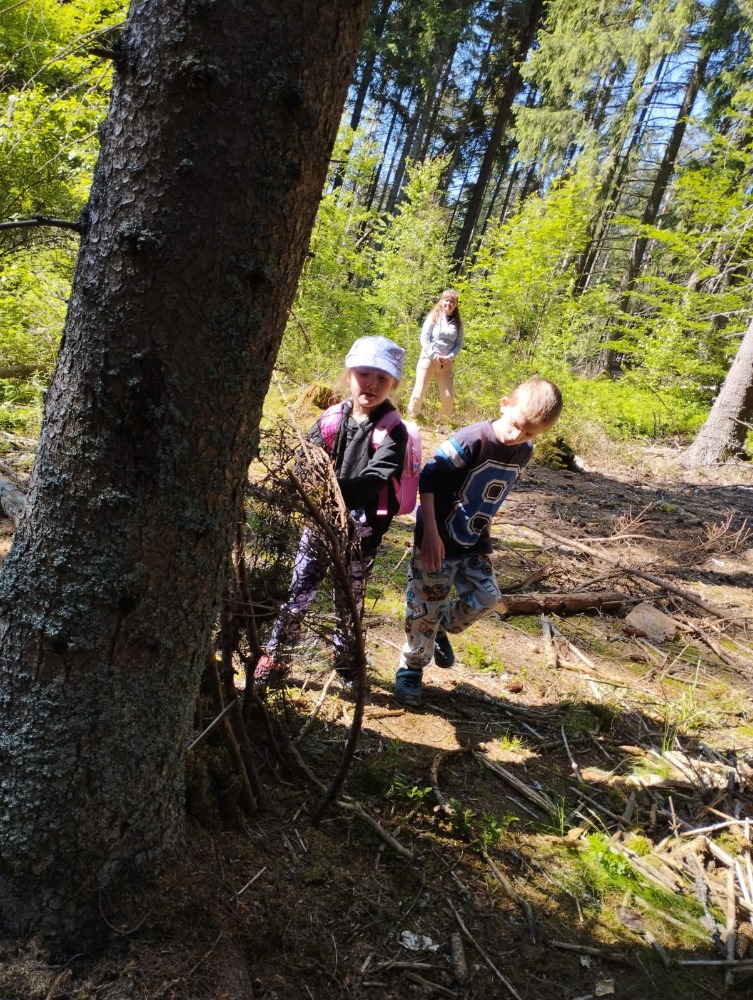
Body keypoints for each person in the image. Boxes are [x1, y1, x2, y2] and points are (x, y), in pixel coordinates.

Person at [394, 375, 563, 708]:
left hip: (473, 539)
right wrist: (430, 533)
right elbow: (429, 478)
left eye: (530, 433)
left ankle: (438, 627)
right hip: (437, 538)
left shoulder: (523, 451)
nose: (517, 436)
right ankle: (410, 669)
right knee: (425, 605)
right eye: (517, 425)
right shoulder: (472, 440)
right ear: (505, 404)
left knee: (487, 598)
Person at [255, 335, 408, 691]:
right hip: (319, 524)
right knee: (299, 589)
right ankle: (277, 656)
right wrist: (307, 486)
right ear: (349, 374)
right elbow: (306, 458)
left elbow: (375, 478)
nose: (371, 384)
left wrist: (332, 492)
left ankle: (348, 660)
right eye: (364, 374)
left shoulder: (393, 432)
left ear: (393, 385)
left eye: (382, 378)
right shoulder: (331, 419)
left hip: (362, 533)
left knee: (349, 600)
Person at [407, 289, 464, 422]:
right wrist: (434, 355)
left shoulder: (458, 323)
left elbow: (459, 344)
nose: (449, 304)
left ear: (456, 304)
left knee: (448, 396)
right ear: (442, 301)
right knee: (420, 389)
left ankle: (443, 424)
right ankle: (411, 419)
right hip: (429, 358)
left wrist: (450, 357)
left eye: (452, 301)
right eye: (446, 300)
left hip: (447, 362)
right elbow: (424, 338)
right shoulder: (434, 317)